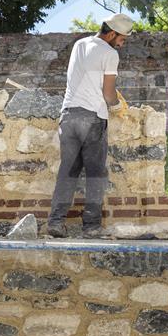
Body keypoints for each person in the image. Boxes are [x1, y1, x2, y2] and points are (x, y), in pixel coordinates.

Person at [46, 13, 133, 238]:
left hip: (68, 116)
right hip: (92, 117)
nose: (123, 43)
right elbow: (108, 93)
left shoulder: (80, 44)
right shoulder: (110, 53)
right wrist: (117, 106)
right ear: (112, 33)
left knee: (68, 171)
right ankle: (91, 226)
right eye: (122, 38)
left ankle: (56, 222)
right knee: (96, 174)